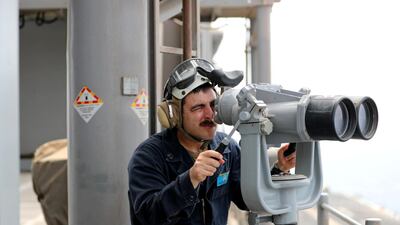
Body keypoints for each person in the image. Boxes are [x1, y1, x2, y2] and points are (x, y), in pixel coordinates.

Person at [128, 58, 296, 225]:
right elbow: (148, 215)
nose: (211, 114)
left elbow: (246, 198)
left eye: (213, 105)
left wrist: (278, 169)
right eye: (198, 108)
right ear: (175, 115)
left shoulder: (227, 147)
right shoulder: (148, 156)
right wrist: (191, 179)